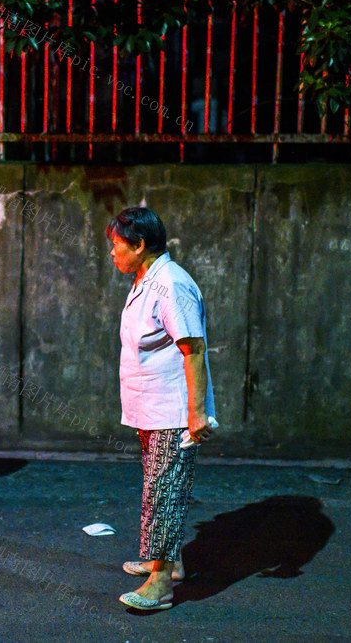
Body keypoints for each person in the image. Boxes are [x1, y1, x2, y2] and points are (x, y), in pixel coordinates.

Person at [106, 206, 216, 610]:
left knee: (166, 491)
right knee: (158, 488)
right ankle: (166, 561)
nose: (112, 253)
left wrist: (197, 412)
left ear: (139, 245)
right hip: (151, 408)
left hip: (173, 410)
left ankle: (161, 584)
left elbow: (193, 348)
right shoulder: (146, 280)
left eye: (117, 245)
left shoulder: (171, 284)